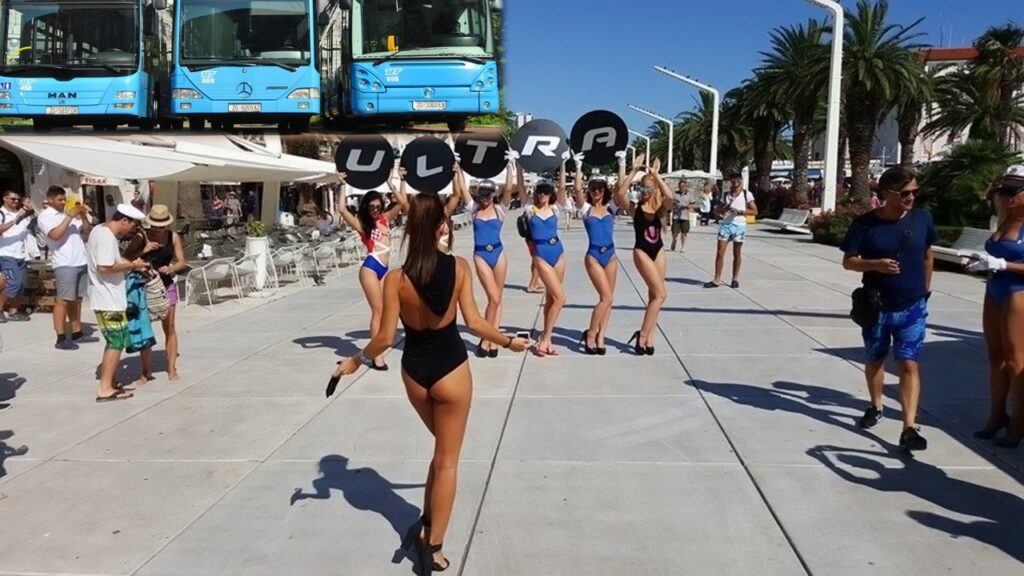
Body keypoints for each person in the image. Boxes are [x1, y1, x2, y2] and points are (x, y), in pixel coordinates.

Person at [328, 193, 530, 573]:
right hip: (451, 369)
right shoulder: (459, 267)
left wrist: (355, 360)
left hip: (414, 374)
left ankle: (425, 523)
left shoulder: (395, 278)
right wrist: (508, 342)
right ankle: (433, 548)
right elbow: (475, 322)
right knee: (448, 461)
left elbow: (385, 337)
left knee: (441, 451)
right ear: (441, 225)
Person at [841, 167, 937, 451]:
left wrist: (925, 292)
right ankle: (876, 406)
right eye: (905, 193)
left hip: (912, 306)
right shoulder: (864, 224)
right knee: (875, 359)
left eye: (915, 192)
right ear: (886, 193)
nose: (911, 197)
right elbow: (848, 261)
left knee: (908, 363)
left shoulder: (922, 219)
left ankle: (909, 427)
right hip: (877, 306)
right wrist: (875, 265)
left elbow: (928, 255)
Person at [968, 166, 1024, 448]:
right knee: (995, 356)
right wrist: (983, 263)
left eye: (1013, 190)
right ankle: (997, 415)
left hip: (1019, 291)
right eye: (1003, 190)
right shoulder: (1006, 219)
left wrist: (1002, 264)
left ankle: (1019, 423)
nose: (1006, 196)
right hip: (996, 287)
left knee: (1016, 359)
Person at [336, 168, 409, 370]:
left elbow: (403, 203)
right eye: (372, 207)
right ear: (366, 207)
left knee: (386, 311)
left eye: (378, 206)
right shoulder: (362, 224)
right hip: (370, 267)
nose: (375, 210)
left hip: (384, 268)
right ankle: (376, 355)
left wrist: (393, 182)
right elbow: (342, 210)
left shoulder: (386, 218)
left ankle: (376, 349)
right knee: (378, 311)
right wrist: (341, 184)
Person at [87, 203, 149, 402]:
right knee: (117, 341)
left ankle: (110, 381)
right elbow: (105, 267)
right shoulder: (106, 236)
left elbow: (112, 261)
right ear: (124, 220)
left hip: (106, 298)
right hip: (108, 299)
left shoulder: (99, 230)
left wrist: (133, 264)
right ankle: (105, 388)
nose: (132, 231)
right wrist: (132, 265)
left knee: (114, 341)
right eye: (132, 226)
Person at [457, 161, 514, 358]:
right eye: (483, 194)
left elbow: (509, 189)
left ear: (493, 194)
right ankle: (486, 337)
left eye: (489, 194)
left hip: (498, 253)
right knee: (494, 298)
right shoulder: (474, 209)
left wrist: (510, 167)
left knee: (498, 298)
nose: (486, 198)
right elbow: (462, 188)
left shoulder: (500, 209)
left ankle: (493, 337)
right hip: (481, 255)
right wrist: (458, 167)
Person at [573, 151, 625, 355]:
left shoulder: (611, 208)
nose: (596, 191)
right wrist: (578, 166)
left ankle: (601, 335)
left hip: (610, 255)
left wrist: (622, 164)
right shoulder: (586, 210)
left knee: (610, 299)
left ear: (604, 191)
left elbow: (621, 188)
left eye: (600, 188)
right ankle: (591, 333)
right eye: (593, 188)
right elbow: (577, 190)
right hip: (594, 256)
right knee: (606, 297)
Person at [617, 155, 669, 355]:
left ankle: (649, 337)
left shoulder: (660, 209)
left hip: (659, 251)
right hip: (642, 251)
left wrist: (656, 175)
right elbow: (620, 193)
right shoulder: (635, 208)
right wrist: (634, 170)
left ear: (654, 190)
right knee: (661, 294)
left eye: (648, 189)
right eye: (642, 188)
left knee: (654, 296)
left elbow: (670, 197)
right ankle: (642, 335)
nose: (645, 192)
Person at [37, 186, 97, 349]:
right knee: (63, 300)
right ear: (50, 200)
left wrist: (83, 216)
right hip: (65, 263)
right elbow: (55, 235)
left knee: (76, 299)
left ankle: (77, 332)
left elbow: (87, 233)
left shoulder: (66, 215)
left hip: (80, 260)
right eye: (60, 199)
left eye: (64, 199)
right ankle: (61, 337)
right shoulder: (45, 216)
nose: (63, 202)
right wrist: (70, 217)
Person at [528, 162, 571, 356]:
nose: (542, 195)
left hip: (558, 252)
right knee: (561, 298)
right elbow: (519, 189)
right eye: (540, 191)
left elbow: (562, 187)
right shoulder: (530, 209)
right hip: (541, 255)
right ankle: (545, 338)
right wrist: (517, 166)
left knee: (552, 298)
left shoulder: (556, 208)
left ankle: (547, 338)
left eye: (546, 192)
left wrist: (563, 164)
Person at [143, 205, 187, 380]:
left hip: (166, 283)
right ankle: (146, 370)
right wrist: (145, 250)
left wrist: (171, 268)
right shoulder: (143, 236)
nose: (158, 229)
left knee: (169, 326)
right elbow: (129, 257)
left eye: (161, 226)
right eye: (155, 225)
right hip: (146, 285)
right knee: (145, 328)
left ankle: (171, 368)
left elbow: (182, 261)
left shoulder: (173, 237)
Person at [705, 172, 758, 289]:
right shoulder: (725, 195)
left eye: (736, 181)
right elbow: (717, 211)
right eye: (732, 181)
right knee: (720, 252)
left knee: (737, 253)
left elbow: (755, 211)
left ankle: (735, 279)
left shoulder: (746, 194)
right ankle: (716, 279)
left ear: (740, 181)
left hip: (739, 225)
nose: (734, 184)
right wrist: (725, 208)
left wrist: (741, 212)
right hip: (726, 225)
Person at [121, 231, 161, 383]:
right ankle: (146, 371)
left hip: (141, 291)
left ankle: (146, 370)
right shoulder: (139, 238)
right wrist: (142, 252)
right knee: (131, 330)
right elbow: (123, 260)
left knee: (143, 330)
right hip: (130, 292)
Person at [0, 190, 35, 322]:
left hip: (20, 254)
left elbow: (33, 219)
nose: (15, 201)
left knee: (21, 285)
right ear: (5, 199)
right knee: (12, 283)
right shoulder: (2, 213)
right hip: (6, 254)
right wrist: (15, 220)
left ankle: (13, 311)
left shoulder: (20, 213)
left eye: (17, 199)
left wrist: (29, 209)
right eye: (12, 199)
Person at [671, 180, 696, 252]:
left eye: (683, 186)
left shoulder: (689, 195)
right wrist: (675, 205)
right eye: (680, 186)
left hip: (685, 217)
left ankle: (683, 247)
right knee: (674, 232)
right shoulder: (675, 194)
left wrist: (687, 206)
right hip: (676, 216)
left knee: (684, 232)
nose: (682, 188)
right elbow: (671, 203)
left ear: (686, 187)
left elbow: (692, 204)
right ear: (678, 187)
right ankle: (674, 240)